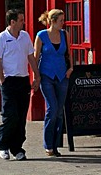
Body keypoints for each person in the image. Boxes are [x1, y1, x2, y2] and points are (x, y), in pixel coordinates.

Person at [0, 9, 40, 161]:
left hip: (23, 80)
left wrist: (36, 76)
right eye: (20, 20)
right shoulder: (1, 38)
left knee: (20, 117)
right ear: (12, 22)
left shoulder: (25, 37)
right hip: (9, 81)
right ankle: (3, 146)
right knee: (10, 115)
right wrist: (2, 79)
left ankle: (17, 148)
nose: (23, 22)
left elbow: (31, 57)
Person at [34, 9, 73, 157]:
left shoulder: (64, 34)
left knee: (59, 111)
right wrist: (36, 77)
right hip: (46, 76)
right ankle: (48, 144)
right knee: (52, 108)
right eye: (61, 20)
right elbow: (35, 57)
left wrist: (71, 68)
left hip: (62, 76)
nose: (63, 23)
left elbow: (69, 53)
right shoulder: (41, 36)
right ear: (53, 21)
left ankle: (56, 145)